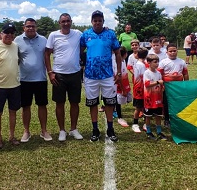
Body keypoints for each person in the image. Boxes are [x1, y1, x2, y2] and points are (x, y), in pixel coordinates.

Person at [80, 10, 122, 142]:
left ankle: (110, 129)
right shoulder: (86, 34)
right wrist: (82, 66)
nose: (97, 22)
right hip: (90, 76)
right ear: (91, 21)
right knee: (93, 104)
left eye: (100, 20)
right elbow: (80, 51)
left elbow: (118, 53)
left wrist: (119, 71)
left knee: (109, 103)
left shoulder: (110, 34)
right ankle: (95, 130)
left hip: (107, 75)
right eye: (95, 20)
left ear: (103, 21)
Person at [44, 13, 84, 141]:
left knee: (75, 103)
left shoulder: (78, 33)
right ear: (59, 23)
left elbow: (89, 38)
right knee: (60, 103)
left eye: (68, 21)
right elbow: (47, 53)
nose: (66, 23)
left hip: (75, 73)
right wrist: (50, 72)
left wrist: (105, 29)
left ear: (71, 21)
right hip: (59, 74)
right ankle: (62, 130)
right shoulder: (53, 35)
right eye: (63, 21)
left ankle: (73, 129)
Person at [15, 18, 52, 142]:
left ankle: (44, 131)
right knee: (26, 106)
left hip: (40, 79)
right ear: (23, 27)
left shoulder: (43, 40)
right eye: (28, 26)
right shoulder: (17, 40)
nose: (31, 28)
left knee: (42, 105)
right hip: (24, 80)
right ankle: (26, 131)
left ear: (36, 27)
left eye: (33, 26)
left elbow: (48, 56)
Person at [0, 23, 21, 148]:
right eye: (7, 32)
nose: (9, 35)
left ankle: (12, 136)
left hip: (14, 85)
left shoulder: (16, 46)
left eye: (12, 33)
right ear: (1, 34)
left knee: (13, 112)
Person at [158, 43, 188, 127]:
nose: (172, 53)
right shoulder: (163, 62)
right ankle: (167, 119)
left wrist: (186, 84)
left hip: (178, 87)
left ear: (177, 51)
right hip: (167, 87)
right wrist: (162, 86)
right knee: (166, 103)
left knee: (178, 102)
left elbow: (185, 74)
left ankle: (177, 118)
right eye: (170, 51)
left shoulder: (182, 62)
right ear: (167, 52)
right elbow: (159, 75)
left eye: (174, 51)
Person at [143, 53, 167, 140]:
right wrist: (157, 82)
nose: (157, 64)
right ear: (149, 62)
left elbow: (161, 84)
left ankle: (159, 131)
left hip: (158, 98)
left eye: (158, 62)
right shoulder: (147, 73)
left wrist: (162, 87)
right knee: (148, 116)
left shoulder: (159, 73)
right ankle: (148, 131)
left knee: (158, 115)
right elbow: (147, 84)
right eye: (155, 62)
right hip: (149, 98)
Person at [130, 47, 148, 133]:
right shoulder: (140, 65)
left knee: (145, 107)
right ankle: (135, 124)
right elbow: (143, 77)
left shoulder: (143, 64)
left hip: (143, 88)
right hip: (139, 89)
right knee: (138, 108)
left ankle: (145, 123)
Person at [113, 47, 131, 127]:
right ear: (125, 54)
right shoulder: (117, 63)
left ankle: (115, 112)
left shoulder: (122, 61)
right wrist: (123, 90)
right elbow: (118, 78)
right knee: (117, 100)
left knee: (120, 100)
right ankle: (119, 117)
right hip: (118, 86)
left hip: (123, 85)